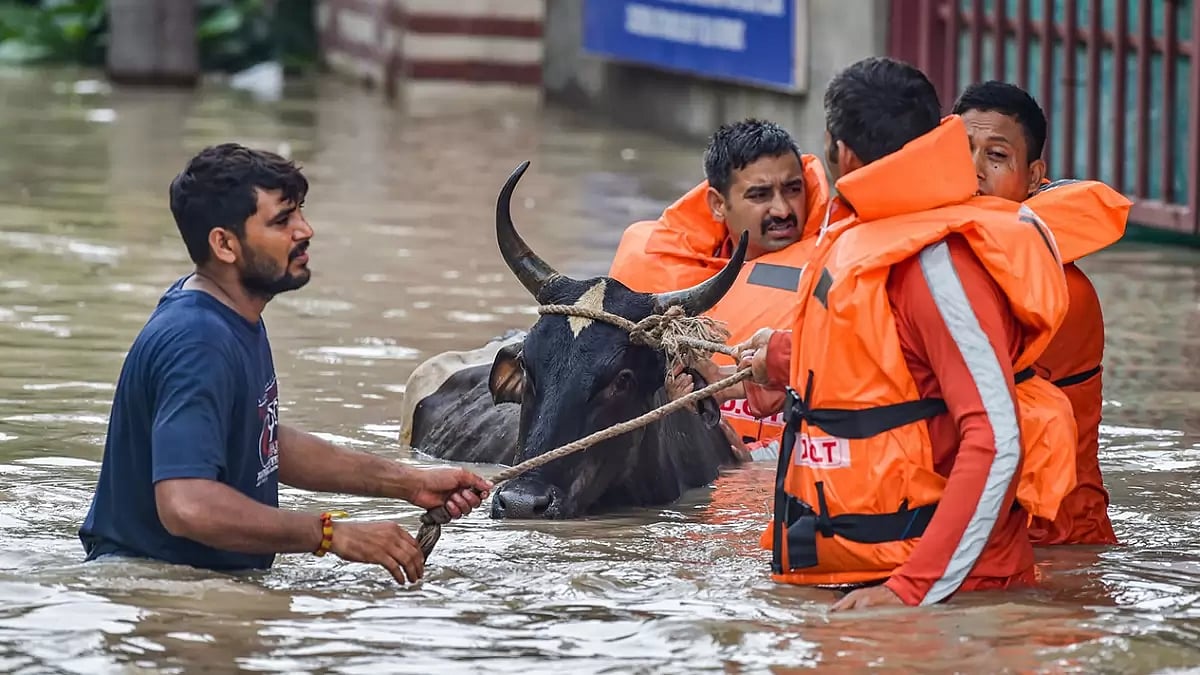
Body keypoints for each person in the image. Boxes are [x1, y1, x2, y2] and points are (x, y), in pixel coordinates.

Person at [733, 57, 1078, 611]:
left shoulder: (939, 264)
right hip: (864, 578)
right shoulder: (866, 239)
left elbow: (995, 440)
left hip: (951, 599)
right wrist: (783, 360)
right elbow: (887, 369)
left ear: (839, 152)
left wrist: (911, 591)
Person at [78, 143, 493, 584]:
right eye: (282, 220)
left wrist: (409, 483)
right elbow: (188, 505)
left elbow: (262, 440)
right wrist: (330, 534)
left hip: (199, 581)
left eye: (299, 213)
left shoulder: (226, 313)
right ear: (224, 243)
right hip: (164, 587)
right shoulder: (198, 340)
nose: (305, 230)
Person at [952, 80, 1130, 546]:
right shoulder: (950, 260)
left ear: (1034, 178)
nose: (973, 172)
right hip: (996, 531)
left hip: (1060, 546)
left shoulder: (1062, 291)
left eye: (995, 157)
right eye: (962, 151)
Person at [609, 119, 832, 451]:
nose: (783, 209)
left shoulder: (837, 267)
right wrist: (664, 406)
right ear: (717, 204)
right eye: (760, 195)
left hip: (770, 469)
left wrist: (754, 463)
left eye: (793, 189)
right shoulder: (653, 263)